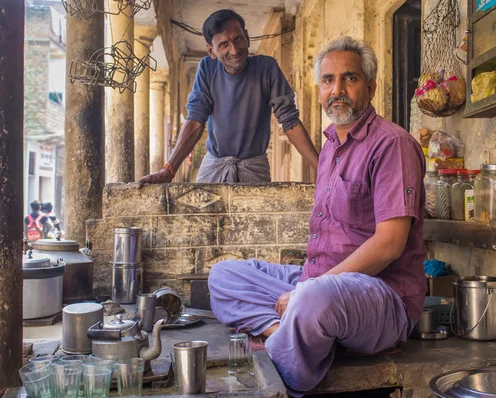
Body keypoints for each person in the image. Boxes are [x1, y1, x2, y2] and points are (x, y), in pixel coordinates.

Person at [207, 36, 427, 396]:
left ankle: (281, 371)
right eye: (328, 81)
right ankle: (287, 332)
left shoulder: (392, 145)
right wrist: (307, 285)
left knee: (314, 300)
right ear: (319, 90)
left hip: (381, 296)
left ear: (370, 87)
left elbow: (389, 245)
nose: (337, 89)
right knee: (223, 276)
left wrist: (308, 290)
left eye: (349, 79)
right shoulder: (330, 149)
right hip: (316, 283)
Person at [140, 9, 319, 184]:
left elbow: (290, 121)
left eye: (238, 39)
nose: (234, 50)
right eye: (224, 44)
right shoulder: (207, 69)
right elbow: (195, 120)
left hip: (254, 168)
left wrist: (322, 170)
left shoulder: (266, 68)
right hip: (215, 165)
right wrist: (168, 170)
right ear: (211, 51)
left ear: (247, 38)